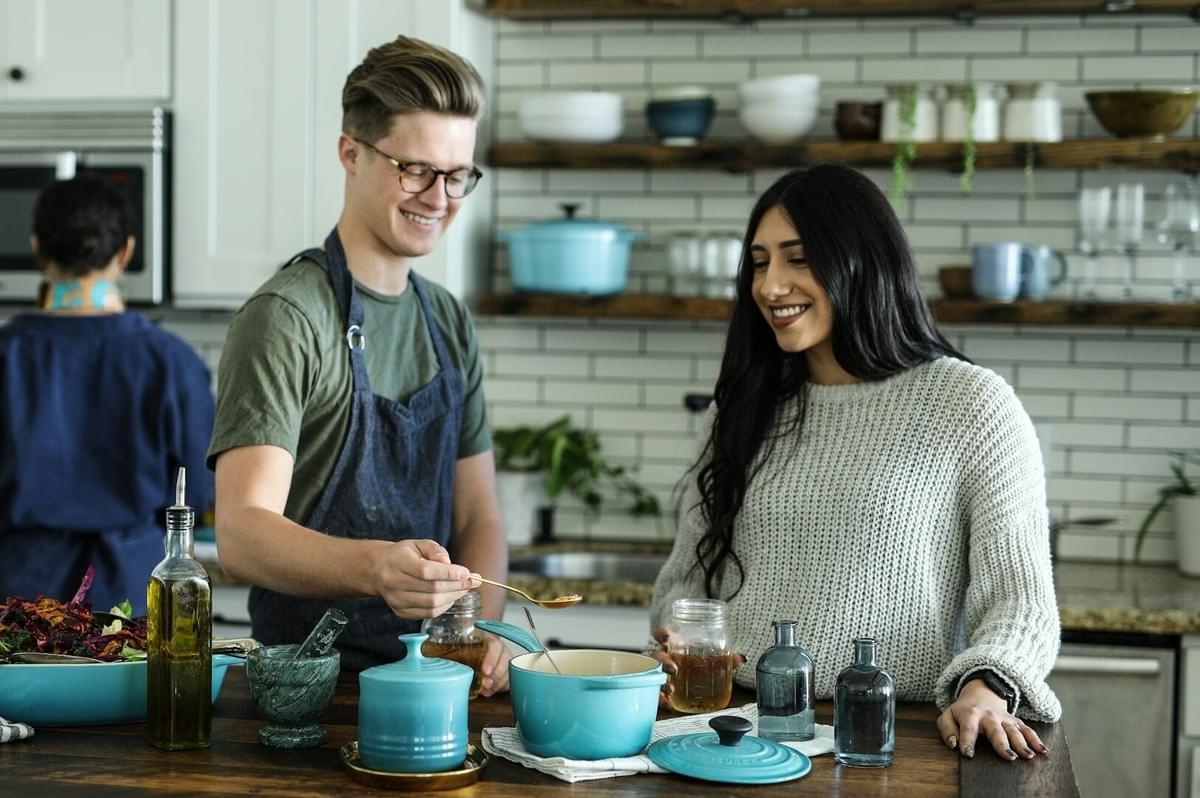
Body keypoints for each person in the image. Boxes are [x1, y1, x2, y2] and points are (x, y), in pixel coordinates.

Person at [649, 164, 1060, 763]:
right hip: (734, 733)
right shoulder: (742, 409)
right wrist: (676, 638)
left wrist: (987, 687)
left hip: (892, 737)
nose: (770, 286)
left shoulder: (971, 404)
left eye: (799, 258)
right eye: (760, 263)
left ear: (862, 262)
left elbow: (1020, 601)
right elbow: (686, 582)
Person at [208, 35, 509, 690]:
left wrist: (482, 624)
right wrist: (377, 568)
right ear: (351, 152)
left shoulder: (448, 320)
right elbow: (241, 532)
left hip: (436, 684)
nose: (439, 198)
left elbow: (478, 516)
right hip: (310, 696)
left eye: (457, 175)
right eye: (415, 169)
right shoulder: (288, 317)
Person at [0, 175, 215, 615]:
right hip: (131, 595)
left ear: (39, 249)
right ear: (126, 252)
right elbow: (199, 491)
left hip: (17, 599)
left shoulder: (6, 355)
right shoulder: (172, 363)